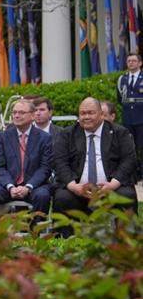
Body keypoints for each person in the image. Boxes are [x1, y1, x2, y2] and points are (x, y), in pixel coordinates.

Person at [52, 97, 138, 235]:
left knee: (127, 195)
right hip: (78, 188)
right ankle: (66, 243)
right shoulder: (67, 134)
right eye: (82, 113)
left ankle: (126, 242)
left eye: (90, 113)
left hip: (112, 187)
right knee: (62, 198)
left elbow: (129, 160)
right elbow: (60, 162)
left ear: (101, 115)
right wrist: (74, 186)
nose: (86, 117)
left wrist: (113, 185)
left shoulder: (119, 133)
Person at [0, 100, 53, 216]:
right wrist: (10, 186)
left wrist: (28, 187)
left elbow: (45, 168)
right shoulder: (3, 136)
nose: (16, 115)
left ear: (32, 115)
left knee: (43, 196)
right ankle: (4, 230)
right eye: (14, 112)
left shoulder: (44, 138)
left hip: (34, 185)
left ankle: (34, 231)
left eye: (21, 112)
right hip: (10, 184)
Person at [117, 52, 143, 177]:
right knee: (128, 149)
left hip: (142, 118)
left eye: (133, 60)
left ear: (140, 63)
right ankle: (132, 177)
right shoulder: (122, 79)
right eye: (128, 61)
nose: (131, 63)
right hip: (128, 119)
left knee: (142, 149)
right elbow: (119, 98)